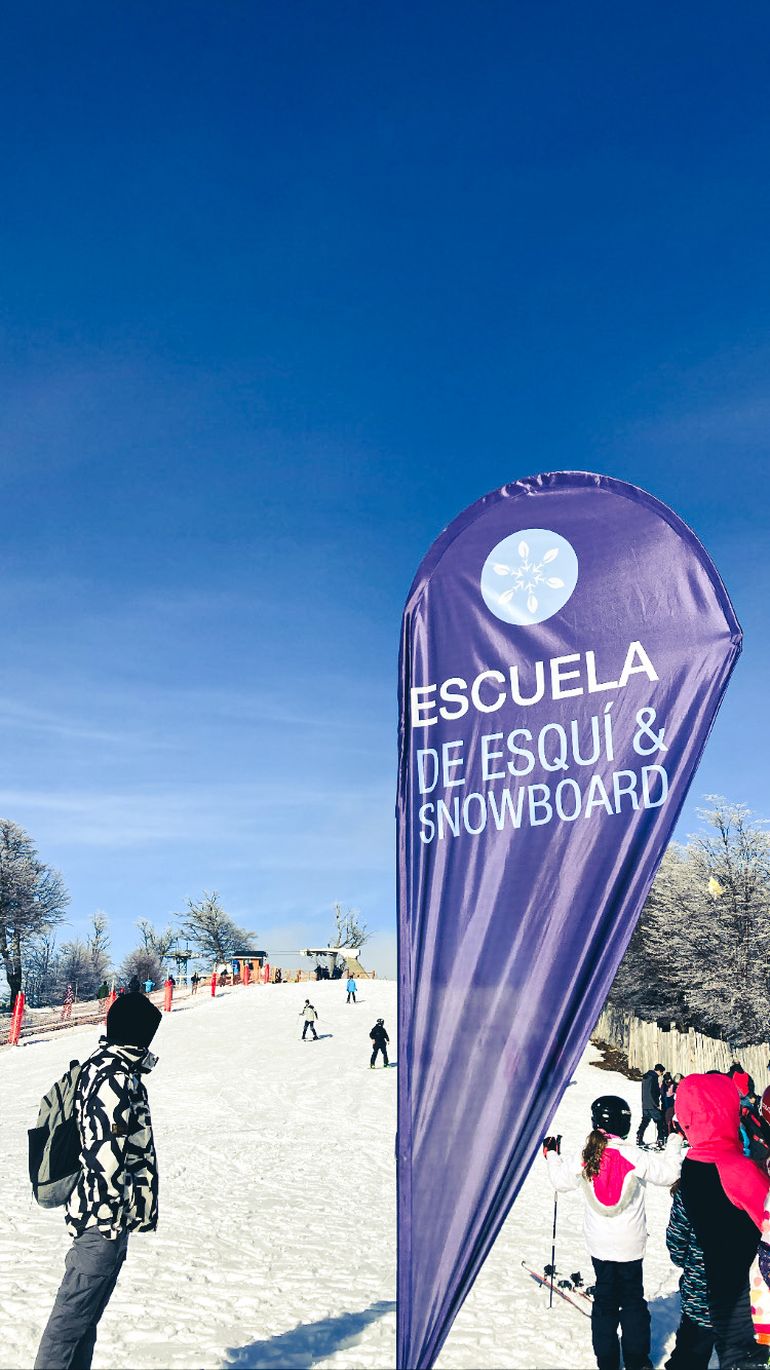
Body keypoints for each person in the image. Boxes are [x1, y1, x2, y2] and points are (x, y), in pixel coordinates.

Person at [34, 992, 162, 1370]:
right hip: (101, 1220)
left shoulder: (102, 1066)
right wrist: (109, 1219)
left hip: (101, 1216)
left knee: (83, 1321)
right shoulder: (115, 1077)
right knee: (69, 1322)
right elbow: (105, 1148)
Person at [545, 1094, 683, 1370]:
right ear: (625, 1124)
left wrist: (552, 1154)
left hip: (599, 1245)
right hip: (631, 1245)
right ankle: (637, 1361)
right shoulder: (634, 1155)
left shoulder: (586, 1155)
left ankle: (607, 1362)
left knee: (605, 1303)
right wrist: (675, 1139)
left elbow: (560, 1181)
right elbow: (670, 1174)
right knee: (632, 1302)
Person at [676, 1072, 770, 1368]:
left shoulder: (692, 1163)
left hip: (719, 1289)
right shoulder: (735, 1169)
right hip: (747, 1295)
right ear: (724, 1111)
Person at [665, 1180, 714, 1370]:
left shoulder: (694, 1182)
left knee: (691, 1349)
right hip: (744, 1291)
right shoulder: (753, 1177)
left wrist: (691, 1265)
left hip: (700, 1286)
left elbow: (677, 1239)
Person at [636, 1063, 666, 1149]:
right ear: (659, 1071)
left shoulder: (646, 1077)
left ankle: (639, 1137)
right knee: (660, 1121)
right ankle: (660, 1140)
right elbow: (654, 1092)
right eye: (662, 1072)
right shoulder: (653, 1077)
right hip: (652, 1104)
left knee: (645, 1121)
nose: (661, 1075)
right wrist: (656, 1104)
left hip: (645, 1104)